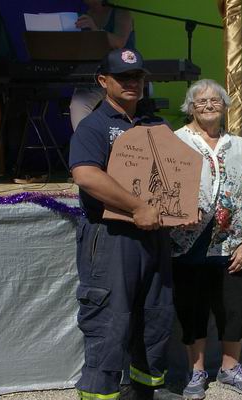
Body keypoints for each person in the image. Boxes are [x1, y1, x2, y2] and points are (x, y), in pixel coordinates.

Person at [69, 48, 181, 400]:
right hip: (110, 237)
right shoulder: (94, 126)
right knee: (109, 322)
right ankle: (99, 394)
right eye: (123, 77)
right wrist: (138, 207)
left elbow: (177, 173)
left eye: (137, 77)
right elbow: (86, 175)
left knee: (155, 316)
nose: (133, 83)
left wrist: (178, 209)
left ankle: (146, 391)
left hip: (154, 236)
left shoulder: (156, 125)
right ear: (103, 82)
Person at [170, 79, 242, 400]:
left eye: (215, 101)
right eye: (201, 101)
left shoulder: (240, 145)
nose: (209, 105)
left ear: (225, 106)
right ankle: (196, 372)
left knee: (234, 308)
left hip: (232, 243)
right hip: (187, 244)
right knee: (192, 310)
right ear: (190, 108)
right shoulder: (176, 142)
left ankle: (230, 368)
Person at [70, 0, 135, 131]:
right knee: (78, 104)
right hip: (92, 79)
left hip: (121, 77)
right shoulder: (80, 16)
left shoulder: (121, 13)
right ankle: (86, 145)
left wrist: (95, 28)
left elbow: (119, 43)